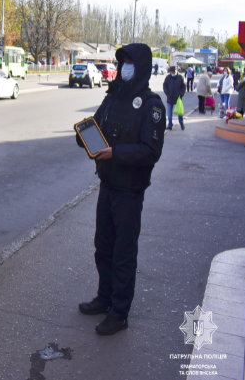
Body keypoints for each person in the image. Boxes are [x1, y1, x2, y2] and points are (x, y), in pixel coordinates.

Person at [76, 43, 166, 336]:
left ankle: (119, 313)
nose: (124, 67)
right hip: (108, 184)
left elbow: (150, 151)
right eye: (122, 61)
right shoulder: (113, 96)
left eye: (129, 62)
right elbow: (96, 126)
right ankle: (104, 298)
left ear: (140, 67)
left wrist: (116, 153)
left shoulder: (152, 105)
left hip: (129, 190)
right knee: (103, 246)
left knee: (123, 252)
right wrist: (84, 136)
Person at [163, 65, 186, 130]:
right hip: (170, 97)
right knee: (169, 112)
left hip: (178, 98)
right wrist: (167, 93)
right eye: (172, 72)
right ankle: (170, 125)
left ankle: (181, 123)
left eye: (174, 71)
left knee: (179, 112)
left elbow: (183, 87)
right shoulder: (168, 77)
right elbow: (165, 86)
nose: (173, 73)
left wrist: (181, 94)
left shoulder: (180, 78)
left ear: (176, 71)